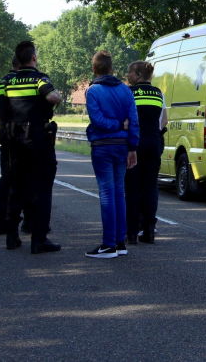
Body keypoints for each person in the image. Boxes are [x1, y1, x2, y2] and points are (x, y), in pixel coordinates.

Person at [5, 41, 63, 254]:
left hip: (15, 139)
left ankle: (11, 235)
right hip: (38, 140)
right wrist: (58, 99)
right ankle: (39, 239)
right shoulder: (39, 79)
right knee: (42, 189)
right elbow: (52, 96)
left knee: (17, 187)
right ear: (33, 58)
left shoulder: (9, 82)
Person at [84, 51, 139, 258]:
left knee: (107, 193)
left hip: (102, 146)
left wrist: (115, 125)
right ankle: (120, 242)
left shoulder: (93, 90)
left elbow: (97, 120)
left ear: (95, 69)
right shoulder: (126, 90)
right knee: (119, 192)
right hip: (122, 146)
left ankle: (108, 245)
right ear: (112, 69)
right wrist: (133, 147)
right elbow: (134, 121)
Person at [124, 61, 166, 244]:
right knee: (150, 187)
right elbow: (164, 120)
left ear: (139, 75)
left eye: (130, 73)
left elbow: (125, 121)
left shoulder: (129, 92)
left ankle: (131, 232)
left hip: (135, 141)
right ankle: (149, 231)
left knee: (132, 187)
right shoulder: (158, 93)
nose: (128, 76)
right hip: (154, 141)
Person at [0, 55, 28, 236]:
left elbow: (1, 110)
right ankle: (29, 221)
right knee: (28, 178)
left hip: (5, 131)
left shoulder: (1, 83)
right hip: (25, 133)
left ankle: (2, 222)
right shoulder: (24, 81)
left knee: (6, 178)